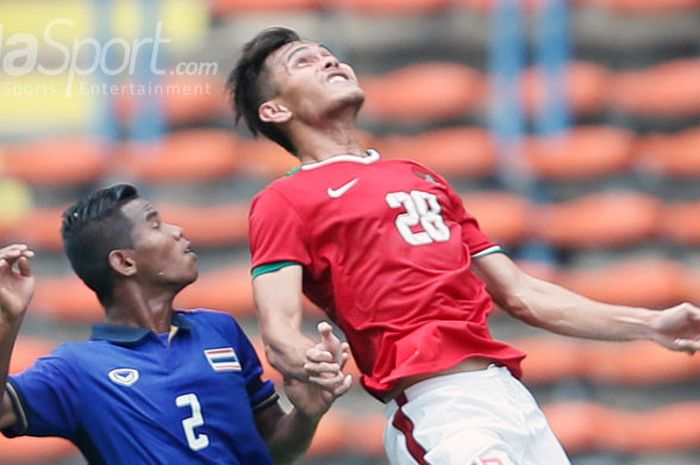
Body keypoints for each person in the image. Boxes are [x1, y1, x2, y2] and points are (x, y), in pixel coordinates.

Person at [226, 27, 700, 465]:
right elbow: (280, 331)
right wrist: (307, 360)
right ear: (275, 110)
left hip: (510, 399)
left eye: (329, 55)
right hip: (438, 409)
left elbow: (522, 294)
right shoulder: (283, 200)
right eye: (303, 61)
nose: (330, 62)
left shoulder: (421, 176)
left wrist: (651, 323)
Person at [0, 184, 351, 465]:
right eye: (155, 224)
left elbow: (275, 450)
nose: (178, 231)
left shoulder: (221, 331)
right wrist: (7, 318)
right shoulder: (76, 370)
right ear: (124, 262)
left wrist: (306, 416)